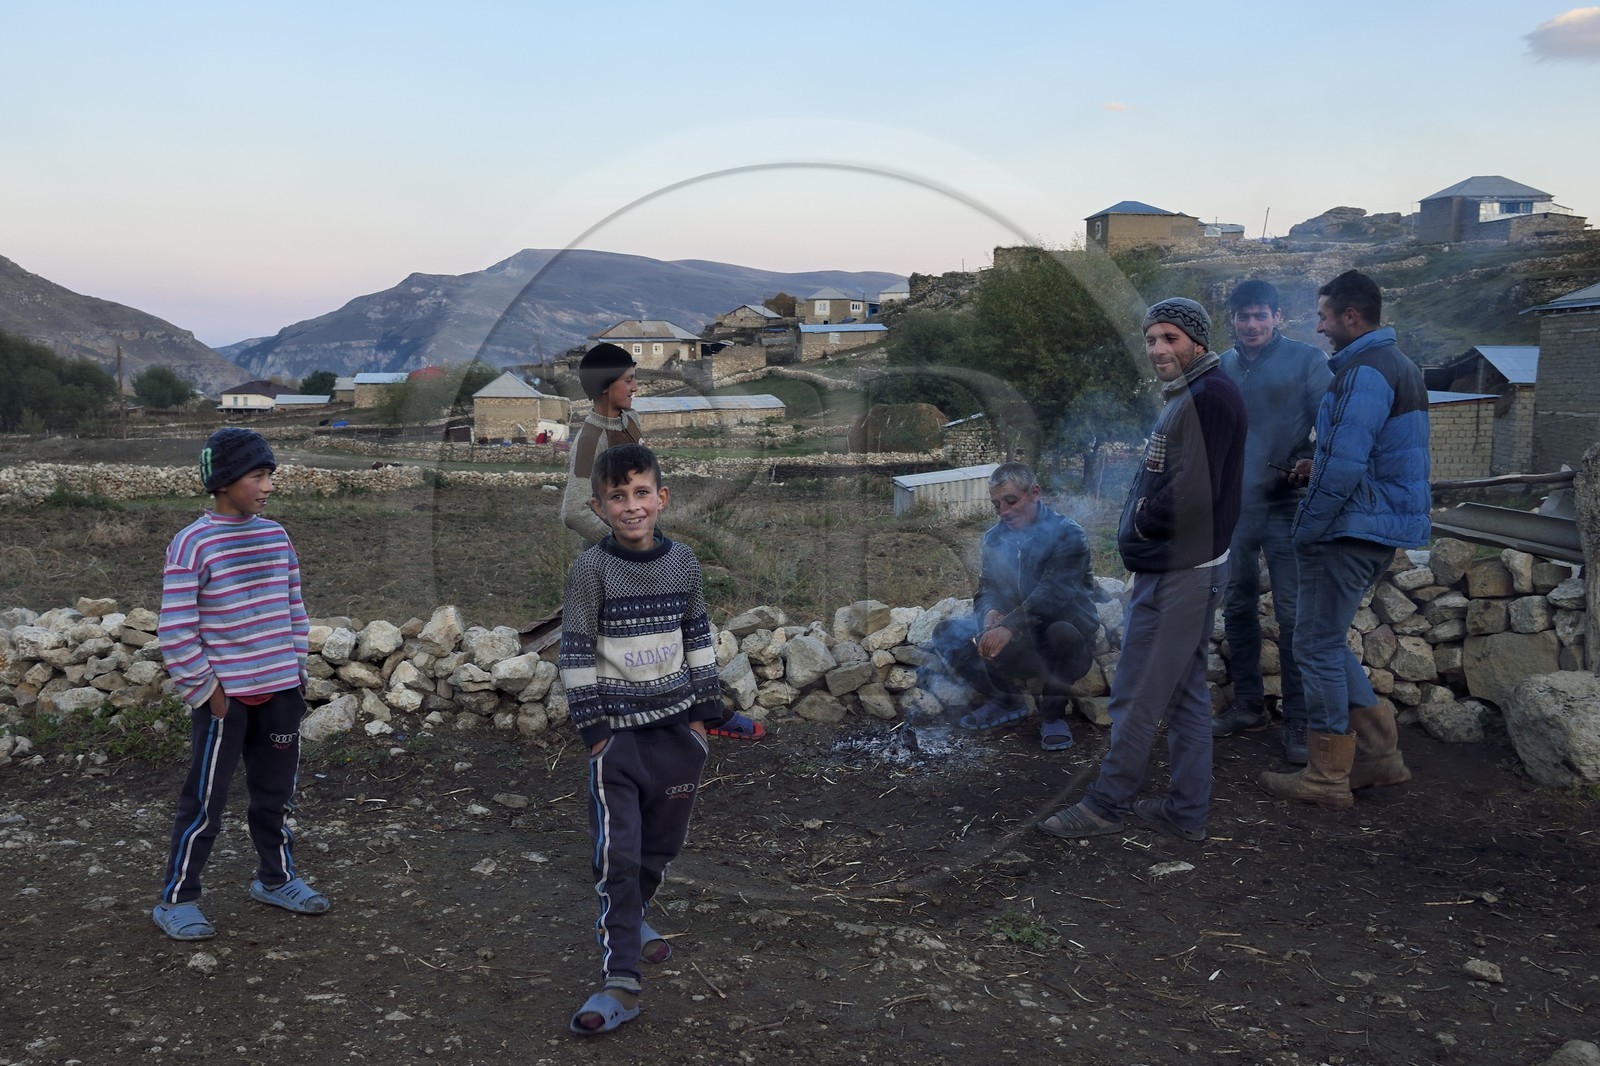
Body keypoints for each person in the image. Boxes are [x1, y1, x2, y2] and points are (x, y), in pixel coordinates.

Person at [1037, 297, 1245, 843]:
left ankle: (1107, 804)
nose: (1157, 349)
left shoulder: (1210, 398)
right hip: (1186, 569)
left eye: (1169, 338)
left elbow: (1193, 490)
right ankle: (1186, 810)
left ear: (1196, 341)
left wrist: (1147, 519)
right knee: (1185, 696)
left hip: (1183, 572)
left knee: (1135, 693)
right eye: (1152, 339)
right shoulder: (1194, 393)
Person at [558, 444, 723, 1036]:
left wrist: (704, 714)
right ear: (600, 508)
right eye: (618, 497)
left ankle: (632, 918)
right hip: (618, 743)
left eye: (641, 493)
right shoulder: (590, 570)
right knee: (618, 855)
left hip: (677, 734)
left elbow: (697, 634)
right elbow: (574, 651)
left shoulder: (684, 564)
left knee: (658, 850)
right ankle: (620, 981)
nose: (632, 507)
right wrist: (595, 732)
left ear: (662, 497)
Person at [1261, 270, 1429, 810]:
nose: (1319, 326)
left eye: (1325, 316)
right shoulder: (1396, 364)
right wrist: (1318, 464)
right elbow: (1361, 455)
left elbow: (1348, 465)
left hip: (1349, 529)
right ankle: (1380, 758)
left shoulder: (1363, 371)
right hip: (1373, 523)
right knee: (1327, 642)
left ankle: (1327, 777)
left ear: (1351, 317)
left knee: (1312, 644)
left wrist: (1307, 528)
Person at [151, 428, 327, 940]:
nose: (268, 485)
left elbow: (294, 608)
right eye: (258, 475)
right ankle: (178, 897)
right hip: (224, 702)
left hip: (280, 694)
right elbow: (177, 629)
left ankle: (276, 879)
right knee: (205, 801)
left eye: (271, 475)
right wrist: (210, 693)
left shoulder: (275, 536)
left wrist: (296, 673)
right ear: (224, 481)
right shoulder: (192, 544)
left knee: (275, 796)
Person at [560, 342, 763, 740]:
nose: (636, 387)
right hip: (612, 567)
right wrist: (627, 547)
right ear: (605, 388)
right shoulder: (589, 441)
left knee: (678, 634)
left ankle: (704, 712)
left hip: (644, 553)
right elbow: (573, 510)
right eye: (629, 380)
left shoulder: (629, 420)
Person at [1211, 280, 1332, 765]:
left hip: (1285, 504)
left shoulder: (1307, 360)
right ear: (1233, 321)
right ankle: (1247, 705)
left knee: (1291, 613)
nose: (1252, 324)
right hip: (1235, 507)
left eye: (1261, 315)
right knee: (1237, 604)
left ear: (1278, 316)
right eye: (1243, 316)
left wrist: (1308, 458)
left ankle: (1298, 719)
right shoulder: (1222, 364)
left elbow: (1333, 423)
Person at [942, 462, 1099, 751]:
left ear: (1034, 493)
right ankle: (1005, 700)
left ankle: (1052, 716)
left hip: (1066, 647)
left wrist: (1010, 626)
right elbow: (987, 588)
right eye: (996, 504)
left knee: (1062, 630)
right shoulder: (994, 538)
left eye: (1011, 501)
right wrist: (990, 612)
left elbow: (1054, 594)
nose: (1003, 511)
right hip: (1023, 641)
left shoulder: (1068, 535)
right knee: (946, 633)